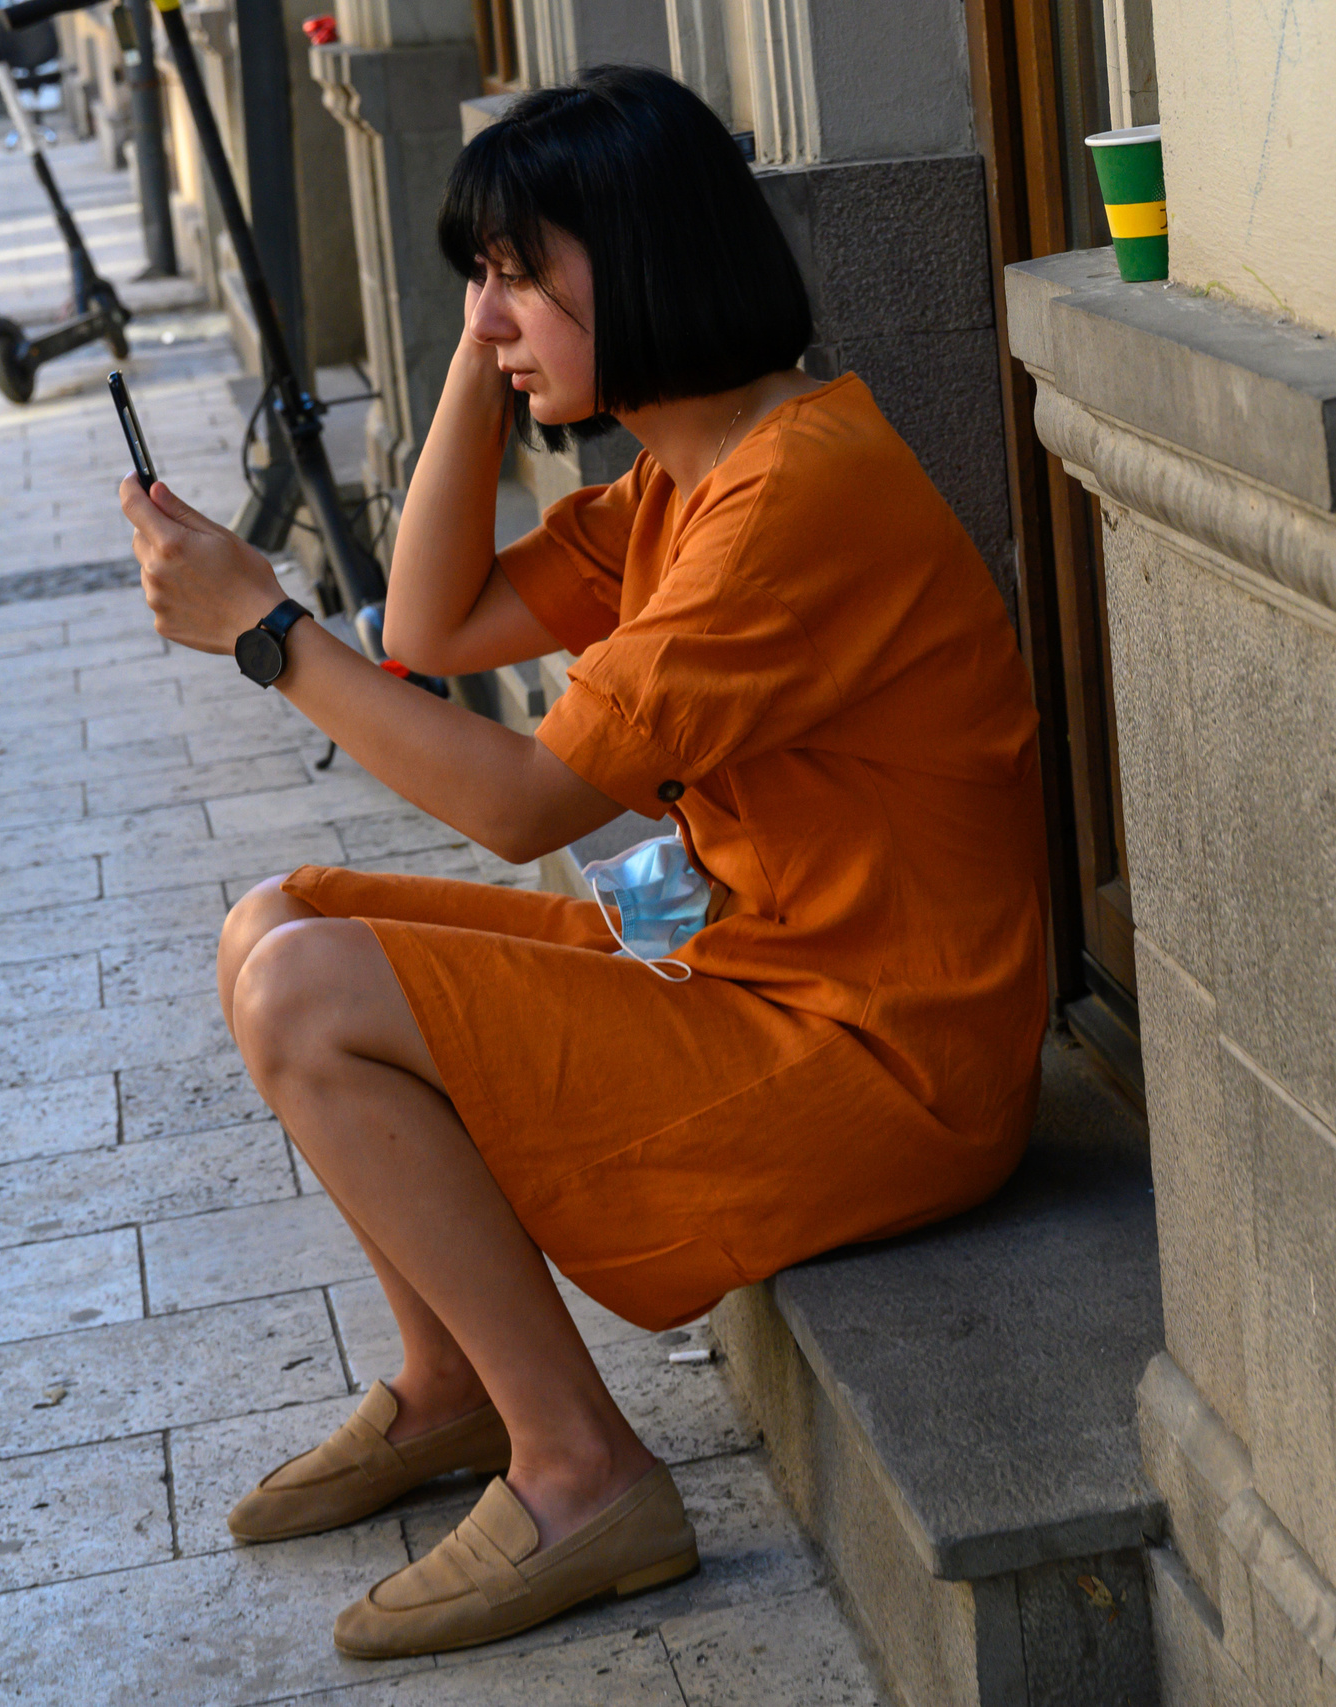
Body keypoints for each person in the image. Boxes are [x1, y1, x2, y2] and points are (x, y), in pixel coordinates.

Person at [113, 66, 1047, 1659]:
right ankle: (458, 1384)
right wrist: (489, 351)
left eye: (522, 269)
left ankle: (579, 1470)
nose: (491, 310)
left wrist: (269, 631)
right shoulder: (694, 471)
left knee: (317, 991)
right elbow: (429, 627)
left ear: (652, 253)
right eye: (479, 275)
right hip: (758, 971)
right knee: (275, 919)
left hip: (884, 1057)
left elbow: (525, 800)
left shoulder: (787, 504)